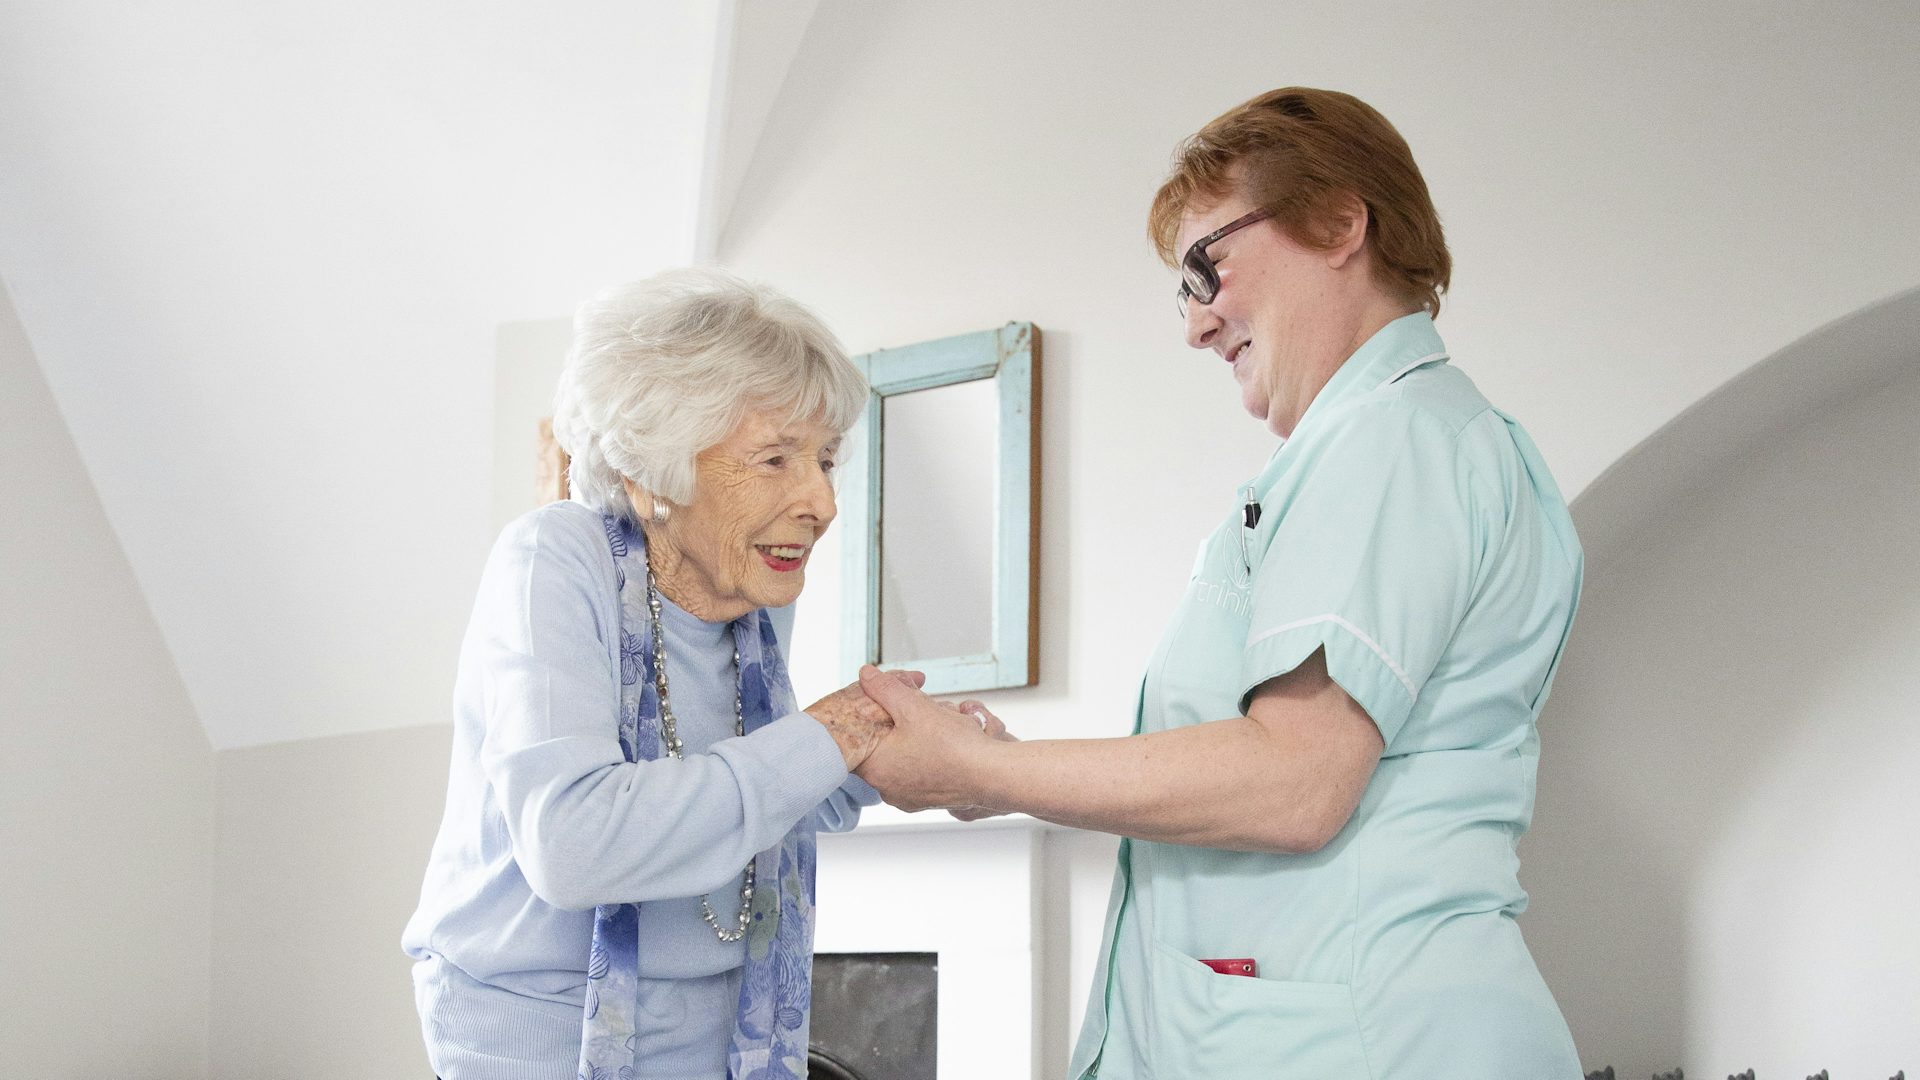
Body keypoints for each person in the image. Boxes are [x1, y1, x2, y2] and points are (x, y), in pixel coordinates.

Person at [853, 87, 1586, 1077]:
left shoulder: (1393, 440)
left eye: (1209, 268)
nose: (1197, 326)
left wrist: (982, 775)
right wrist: (1006, 770)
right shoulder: (1400, 445)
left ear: (1339, 222)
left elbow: (1295, 781)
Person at [403, 267, 899, 1080]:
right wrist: (829, 738)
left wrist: (893, 754)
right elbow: (574, 844)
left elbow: (745, 797)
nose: (822, 502)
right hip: (536, 1039)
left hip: (717, 1035)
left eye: (826, 461)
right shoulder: (554, 560)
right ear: (651, 473)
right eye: (776, 459)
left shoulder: (751, 593)